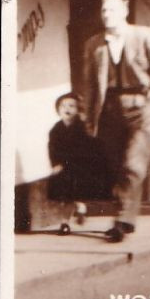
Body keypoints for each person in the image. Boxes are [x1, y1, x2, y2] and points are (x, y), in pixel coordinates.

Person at [77, 0, 150, 244]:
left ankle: (121, 219)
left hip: (140, 107)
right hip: (109, 110)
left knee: (133, 163)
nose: (107, 15)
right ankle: (126, 216)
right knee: (117, 165)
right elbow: (89, 84)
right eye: (104, 10)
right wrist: (89, 116)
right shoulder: (94, 44)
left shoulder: (143, 35)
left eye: (112, 10)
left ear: (125, 12)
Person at [47, 92, 108, 228]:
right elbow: (52, 149)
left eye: (71, 106)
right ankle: (65, 222)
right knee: (66, 199)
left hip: (79, 167)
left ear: (78, 110)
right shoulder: (56, 130)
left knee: (77, 194)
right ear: (58, 110)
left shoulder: (82, 128)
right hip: (64, 168)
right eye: (63, 106)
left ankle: (80, 209)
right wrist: (55, 164)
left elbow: (87, 147)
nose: (67, 109)